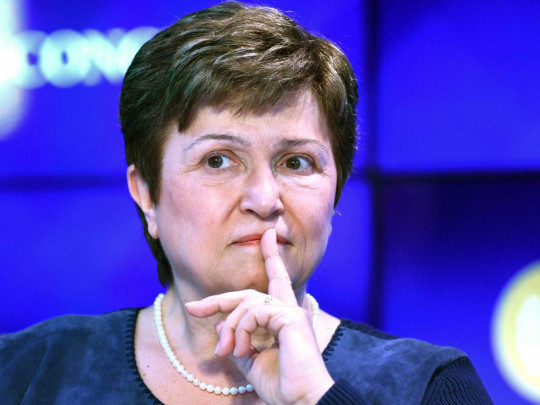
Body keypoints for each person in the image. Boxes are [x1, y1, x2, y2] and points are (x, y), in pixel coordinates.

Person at [0, 2, 493, 404]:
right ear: (146, 191)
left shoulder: (430, 387)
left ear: (336, 188)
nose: (264, 199)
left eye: (297, 162)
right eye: (218, 160)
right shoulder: (26, 371)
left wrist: (315, 399)